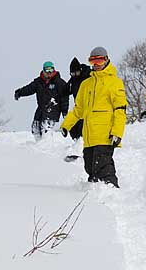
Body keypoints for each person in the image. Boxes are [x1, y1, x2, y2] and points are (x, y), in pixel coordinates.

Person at [61, 47, 127, 188]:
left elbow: (120, 110)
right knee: (90, 169)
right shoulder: (86, 84)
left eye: (99, 60)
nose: (96, 64)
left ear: (106, 59)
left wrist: (117, 132)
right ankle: (94, 199)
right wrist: (66, 125)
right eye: (93, 61)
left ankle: (111, 193)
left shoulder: (114, 82)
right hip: (89, 138)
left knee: (104, 168)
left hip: (105, 136)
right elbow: (78, 110)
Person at [14, 61, 69, 140]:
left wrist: (64, 111)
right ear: (43, 71)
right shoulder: (39, 82)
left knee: (46, 130)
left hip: (53, 110)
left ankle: (47, 145)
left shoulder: (59, 82)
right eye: (47, 70)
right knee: (35, 129)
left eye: (51, 70)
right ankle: (38, 146)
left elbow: (65, 97)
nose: (49, 72)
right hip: (41, 110)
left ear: (54, 70)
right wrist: (19, 92)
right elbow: (29, 89)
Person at [66, 57, 92, 140]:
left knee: (83, 128)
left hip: (89, 106)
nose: (75, 75)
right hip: (78, 106)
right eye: (72, 74)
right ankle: (76, 142)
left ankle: (82, 141)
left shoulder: (88, 75)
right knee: (73, 128)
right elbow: (65, 90)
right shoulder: (73, 79)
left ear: (80, 70)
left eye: (77, 73)